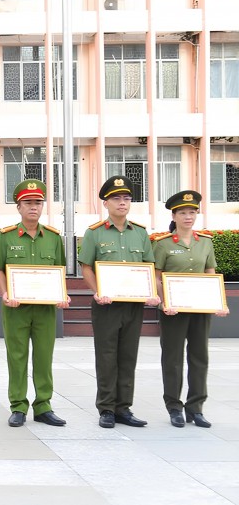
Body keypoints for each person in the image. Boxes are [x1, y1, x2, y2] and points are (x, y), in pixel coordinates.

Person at [0, 179, 71, 427]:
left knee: (44, 357)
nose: (33, 207)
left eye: (37, 202)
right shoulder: (6, 237)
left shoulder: (53, 238)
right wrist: (4, 293)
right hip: (16, 309)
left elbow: (59, 270)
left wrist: (61, 295)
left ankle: (44, 406)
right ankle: (18, 406)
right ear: (18, 207)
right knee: (17, 356)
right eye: (28, 203)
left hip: (45, 309)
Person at [79, 175, 161, 428]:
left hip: (133, 305)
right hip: (106, 305)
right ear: (106, 203)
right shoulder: (94, 233)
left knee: (128, 355)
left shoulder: (140, 233)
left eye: (126, 198)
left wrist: (152, 292)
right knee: (106, 356)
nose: (122, 202)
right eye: (116, 198)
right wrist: (96, 291)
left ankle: (124, 407)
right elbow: (87, 267)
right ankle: (106, 408)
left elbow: (149, 267)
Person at [153, 190, 229, 428]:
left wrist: (220, 301)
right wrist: (164, 300)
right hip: (173, 310)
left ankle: (195, 408)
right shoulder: (163, 244)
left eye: (192, 212)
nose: (188, 216)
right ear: (174, 216)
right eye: (183, 212)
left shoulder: (204, 242)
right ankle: (174, 406)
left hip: (200, 308)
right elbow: (155, 276)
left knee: (199, 357)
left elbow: (211, 273)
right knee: (172, 358)